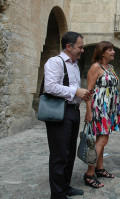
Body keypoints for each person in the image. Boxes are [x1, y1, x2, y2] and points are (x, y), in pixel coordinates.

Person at [44, 31, 91, 199]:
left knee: (70, 152)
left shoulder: (74, 64)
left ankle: (65, 186)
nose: (82, 50)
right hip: (59, 112)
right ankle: (57, 194)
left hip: (73, 111)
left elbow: (71, 90)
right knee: (59, 154)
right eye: (80, 47)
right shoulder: (55, 62)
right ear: (69, 47)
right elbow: (50, 87)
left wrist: (80, 95)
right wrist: (75, 91)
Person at [84, 41, 120, 188]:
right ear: (102, 52)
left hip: (110, 109)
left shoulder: (110, 67)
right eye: (110, 50)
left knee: (102, 139)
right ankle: (89, 174)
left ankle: (100, 169)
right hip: (100, 108)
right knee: (102, 141)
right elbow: (88, 91)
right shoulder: (96, 67)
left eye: (113, 49)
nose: (113, 52)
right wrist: (88, 112)